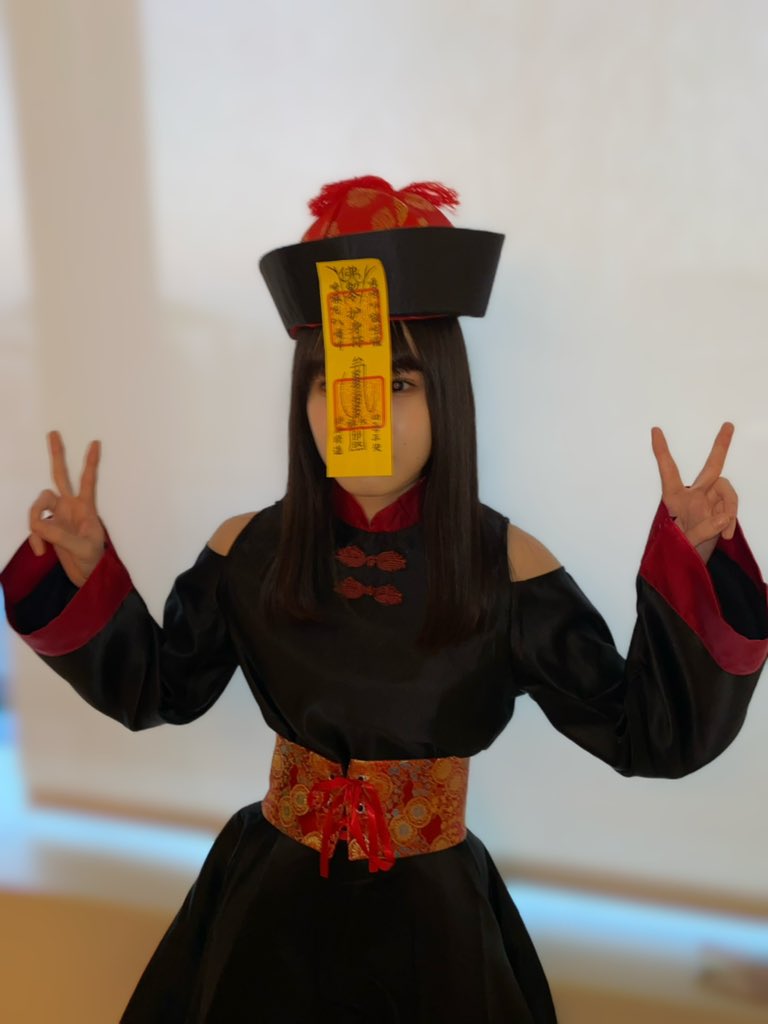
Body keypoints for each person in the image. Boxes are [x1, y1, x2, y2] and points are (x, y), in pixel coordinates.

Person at [2, 176, 767, 1024]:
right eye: (330, 384)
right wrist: (83, 569)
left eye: (398, 385)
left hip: (432, 927)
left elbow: (648, 732)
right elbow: (157, 688)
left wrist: (697, 560)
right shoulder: (247, 551)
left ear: (445, 393)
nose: (357, 411)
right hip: (270, 910)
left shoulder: (506, 567)